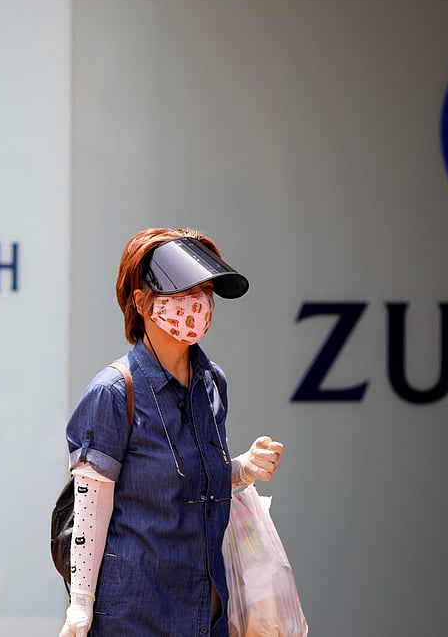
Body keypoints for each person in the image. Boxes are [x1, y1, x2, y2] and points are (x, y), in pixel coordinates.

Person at [59, 228, 284, 637]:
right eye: (181, 293)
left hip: (207, 618)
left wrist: (244, 469)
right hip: (135, 619)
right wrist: (80, 608)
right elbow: (92, 508)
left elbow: (193, 483)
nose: (196, 304)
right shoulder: (113, 392)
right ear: (141, 302)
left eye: (204, 291)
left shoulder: (212, 383)